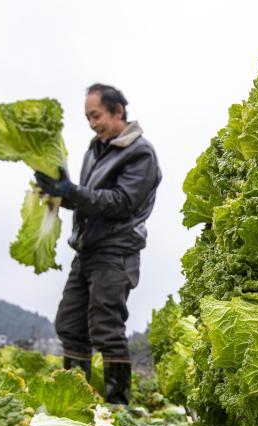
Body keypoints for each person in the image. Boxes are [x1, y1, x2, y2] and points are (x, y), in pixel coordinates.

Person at [35, 83, 161, 404]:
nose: (92, 123)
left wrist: (71, 191)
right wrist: (59, 194)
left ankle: (118, 407)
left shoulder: (140, 152)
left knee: (106, 328)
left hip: (116, 252)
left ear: (117, 111)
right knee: (70, 324)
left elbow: (120, 202)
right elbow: (87, 202)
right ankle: (77, 401)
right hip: (87, 250)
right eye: (88, 118)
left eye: (96, 115)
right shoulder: (94, 150)